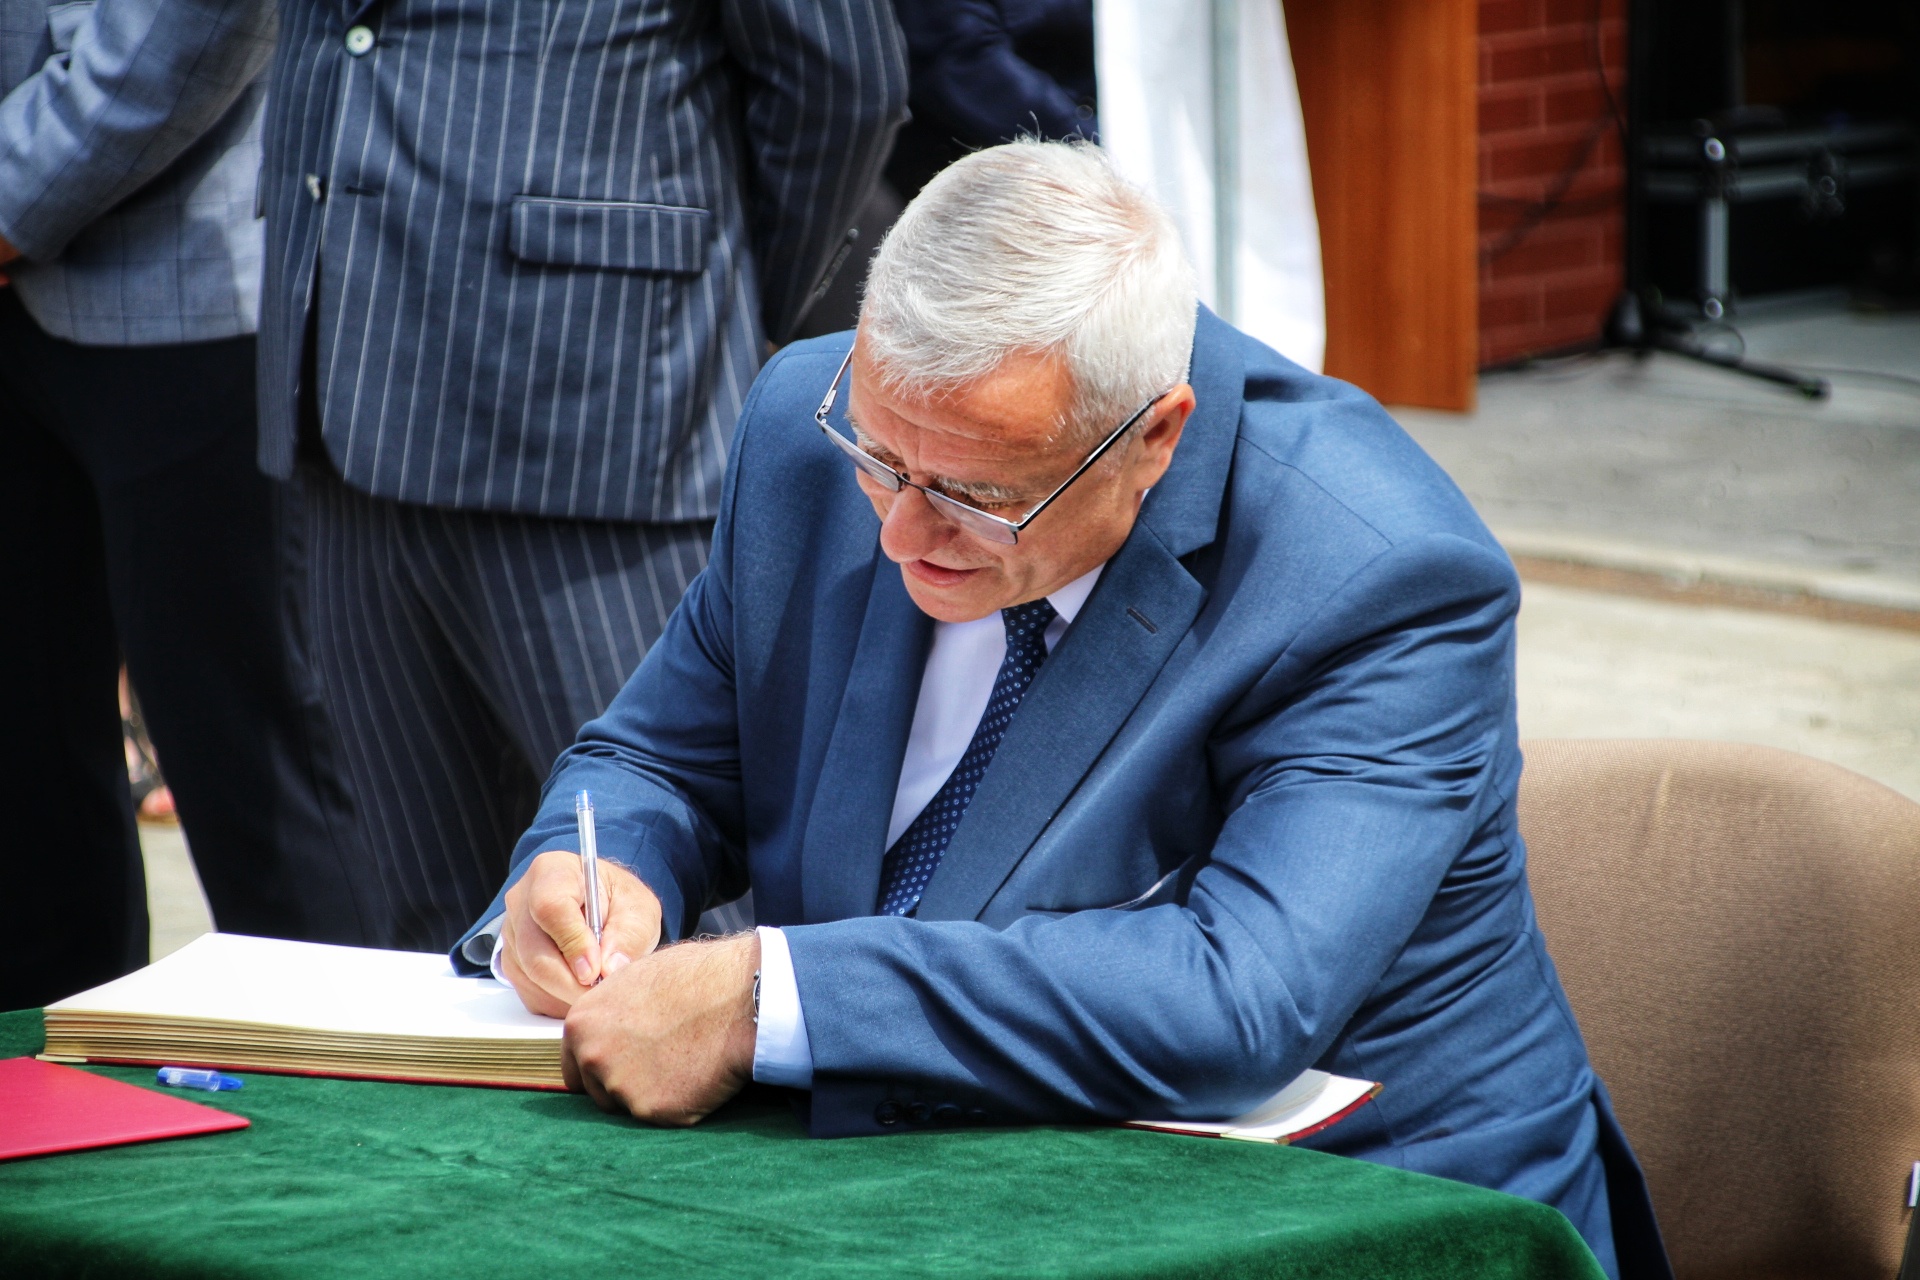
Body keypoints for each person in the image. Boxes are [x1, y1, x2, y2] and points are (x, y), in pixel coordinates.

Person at [458, 141, 1671, 1279]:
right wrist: (591, 867)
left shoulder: (1379, 571)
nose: (902, 531)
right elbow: (660, 759)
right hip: (925, 1176)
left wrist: (772, 994)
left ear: (1155, 436)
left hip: (1356, 1211)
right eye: (881, 459)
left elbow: (1236, 995)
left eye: (977, 494)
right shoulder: (805, 429)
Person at [253, 0, 908, 951]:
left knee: (662, 913)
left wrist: (730, 301)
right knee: (429, 939)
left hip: (601, 411)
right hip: (341, 383)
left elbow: (840, 78)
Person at [0, 0, 373, 1010]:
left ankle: (343, 1092)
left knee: (264, 796)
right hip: (33, 311)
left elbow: (194, 29)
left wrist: (9, 197)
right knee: (27, 810)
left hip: (190, 295)